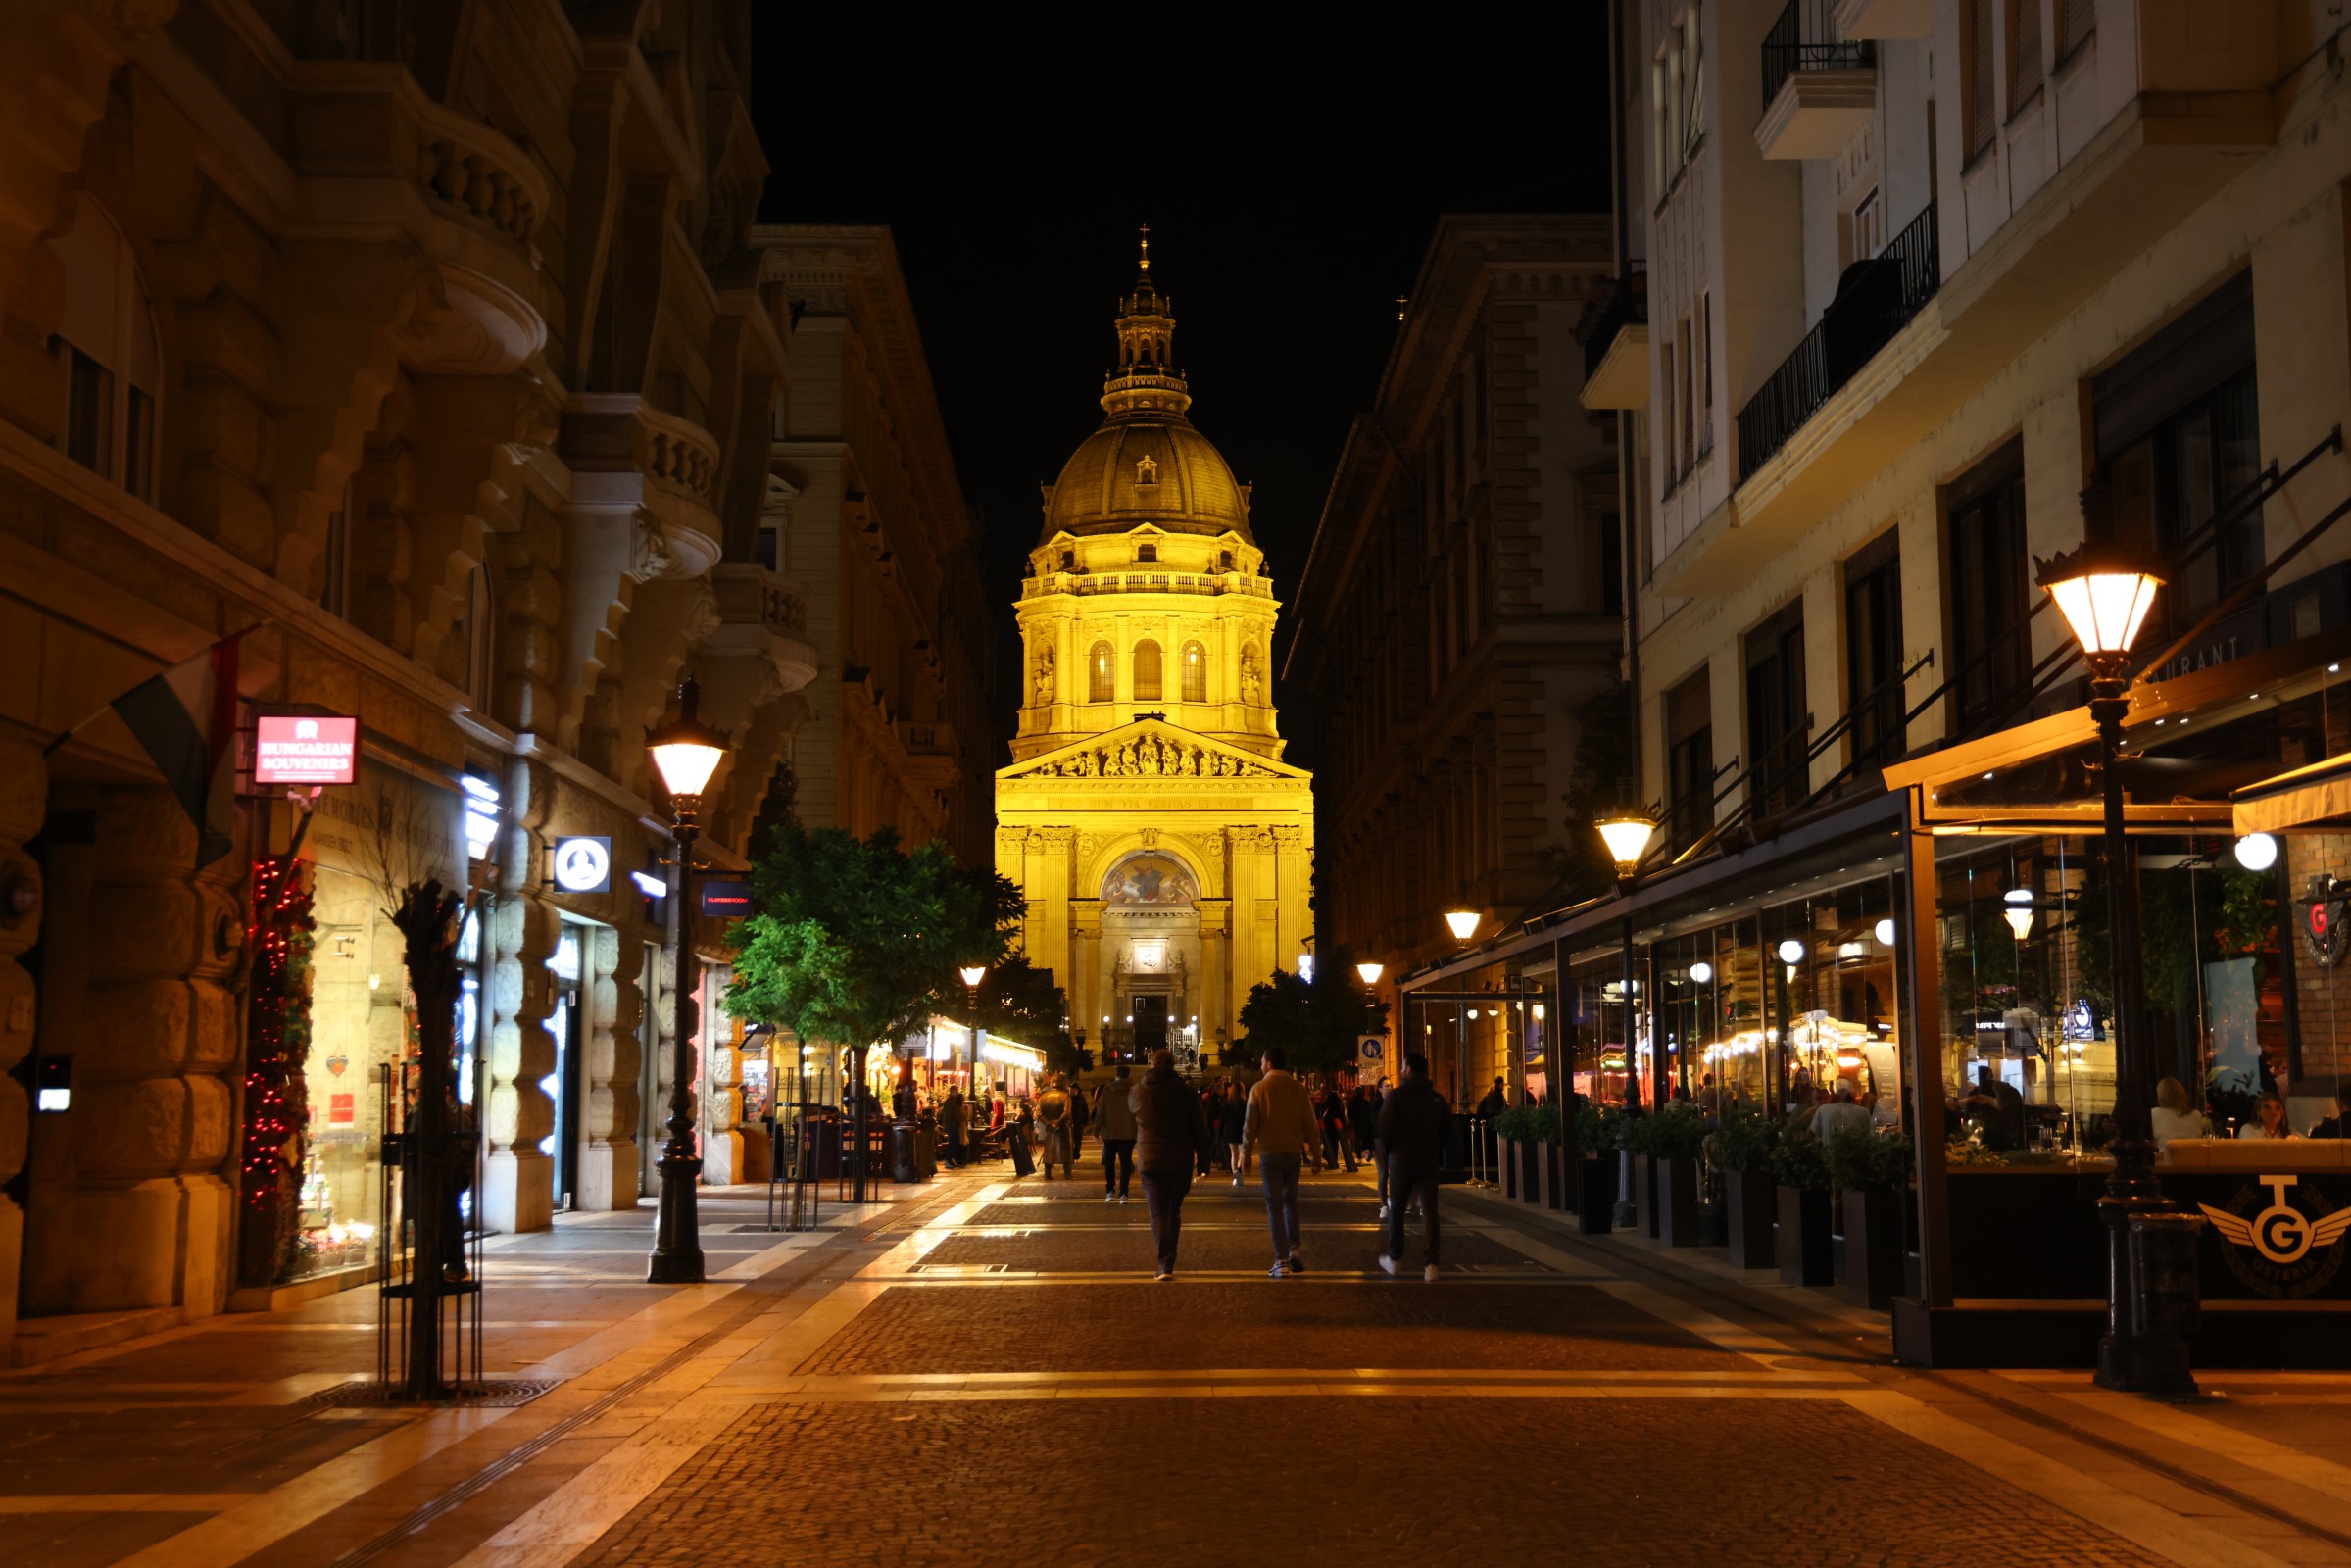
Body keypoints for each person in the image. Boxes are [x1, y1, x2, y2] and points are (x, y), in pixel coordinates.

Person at [1132, 1048, 1212, 1280]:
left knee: (1158, 1212)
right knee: (1172, 1211)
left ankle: (1165, 1264)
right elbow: (1200, 1130)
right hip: (1180, 1161)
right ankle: (1167, 1261)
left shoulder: (1139, 1091)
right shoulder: (1186, 1093)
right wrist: (1204, 1162)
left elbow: (1132, 1115)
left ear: (1151, 1065)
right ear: (1174, 1064)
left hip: (1151, 1160)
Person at [1244, 1045, 1323, 1277]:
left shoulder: (1259, 1089)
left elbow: (1249, 1126)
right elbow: (1310, 1123)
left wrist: (1246, 1155)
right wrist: (1317, 1156)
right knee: (1290, 1201)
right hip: (1293, 1154)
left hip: (1270, 1155)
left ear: (1268, 1063)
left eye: (1261, 1061)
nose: (1260, 1065)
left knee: (1274, 1205)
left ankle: (1281, 1259)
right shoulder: (1298, 1089)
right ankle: (1294, 1249)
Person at [1378, 1051, 1448, 1282]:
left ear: (1408, 1070)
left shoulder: (1396, 1097)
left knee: (1397, 1208)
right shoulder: (1436, 1099)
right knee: (1430, 1212)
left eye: (1402, 1067)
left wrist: (1391, 1152)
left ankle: (1396, 1259)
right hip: (1427, 1160)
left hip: (1401, 1161)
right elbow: (1449, 1133)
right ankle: (1431, 1265)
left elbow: (1384, 1130)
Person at [1097, 1062, 1139, 1201]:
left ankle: (1110, 1191)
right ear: (1129, 1076)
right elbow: (1139, 1111)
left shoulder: (1107, 1090)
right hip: (1128, 1132)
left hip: (1110, 1132)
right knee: (1125, 1163)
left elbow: (1100, 1111)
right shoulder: (1134, 1090)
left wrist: (1096, 1131)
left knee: (1109, 1162)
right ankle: (1123, 1193)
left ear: (1116, 1075)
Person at [2151, 1076, 2213, 1146]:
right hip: (2194, 1155)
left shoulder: (2154, 1114)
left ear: (2160, 1096)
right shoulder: (2196, 1114)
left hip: (2166, 1155)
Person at [1037, 1075, 1076, 1179]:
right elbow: (1067, 1113)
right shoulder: (1066, 1096)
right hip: (1063, 1127)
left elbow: (1039, 1113)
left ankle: (1047, 1174)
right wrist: (1058, 1122)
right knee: (1066, 1151)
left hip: (1049, 1128)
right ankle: (1067, 1174)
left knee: (1049, 1151)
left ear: (1051, 1083)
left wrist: (1049, 1123)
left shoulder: (1043, 1097)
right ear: (1061, 1083)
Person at [1219, 1082, 1249, 1185]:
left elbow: (1222, 1120)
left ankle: (1235, 1177)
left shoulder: (1227, 1103)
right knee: (1242, 1154)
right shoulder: (1245, 1103)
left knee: (1233, 1155)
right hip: (1242, 1131)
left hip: (1231, 1131)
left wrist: (1219, 1134)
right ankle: (1238, 1171)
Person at [941, 1084, 968, 1169]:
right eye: (956, 1091)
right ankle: (948, 1159)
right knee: (954, 1142)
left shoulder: (952, 1101)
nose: (957, 1092)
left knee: (954, 1142)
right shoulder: (950, 1102)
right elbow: (949, 1115)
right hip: (952, 1125)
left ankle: (950, 1159)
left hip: (953, 1125)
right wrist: (954, 1123)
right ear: (953, 1091)